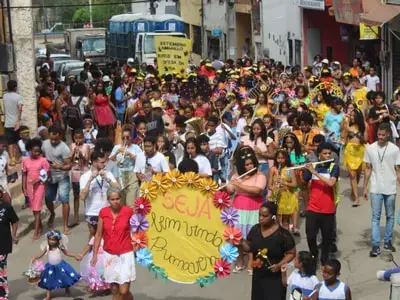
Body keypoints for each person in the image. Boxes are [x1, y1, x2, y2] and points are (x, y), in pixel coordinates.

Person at [242, 202, 296, 300]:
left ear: (273, 217)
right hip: (258, 275)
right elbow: (249, 248)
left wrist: (279, 265)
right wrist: (240, 242)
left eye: (265, 216)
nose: (261, 218)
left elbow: (291, 253)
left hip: (275, 277)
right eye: (260, 215)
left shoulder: (282, 234)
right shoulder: (255, 229)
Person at [227, 146, 266, 274]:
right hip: (238, 208)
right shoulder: (237, 175)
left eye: (251, 164)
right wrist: (228, 185)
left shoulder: (260, 176)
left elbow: (257, 190)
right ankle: (239, 259)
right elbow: (230, 190)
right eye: (247, 164)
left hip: (254, 208)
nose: (249, 166)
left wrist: (240, 185)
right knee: (237, 236)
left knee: (252, 237)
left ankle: (251, 261)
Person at [91, 188, 136, 300]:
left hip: (126, 254)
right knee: (115, 290)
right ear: (108, 200)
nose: (116, 201)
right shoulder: (103, 212)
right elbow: (98, 235)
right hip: (109, 255)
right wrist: (95, 255)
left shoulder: (128, 212)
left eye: (118, 199)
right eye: (113, 199)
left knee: (124, 291)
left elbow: (137, 230)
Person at [363, 123, 400, 257]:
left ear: (388, 135)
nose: (381, 137)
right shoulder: (370, 149)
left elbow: (398, 170)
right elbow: (368, 168)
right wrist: (365, 187)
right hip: (375, 187)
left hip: (390, 187)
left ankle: (388, 241)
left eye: (383, 135)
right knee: (375, 217)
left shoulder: (395, 149)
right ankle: (375, 245)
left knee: (390, 216)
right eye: (379, 134)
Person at [304, 142, 339, 265]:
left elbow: (330, 183)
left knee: (326, 238)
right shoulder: (313, 166)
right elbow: (303, 184)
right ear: (319, 155)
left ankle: (324, 259)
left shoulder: (334, 167)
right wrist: (304, 170)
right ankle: (314, 255)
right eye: (325, 153)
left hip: (328, 209)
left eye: (329, 153)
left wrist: (315, 173)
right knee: (310, 236)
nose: (328, 155)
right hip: (313, 208)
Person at [32, 230, 80, 300]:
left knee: (64, 278)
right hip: (50, 267)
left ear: (57, 240)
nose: (51, 241)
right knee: (49, 281)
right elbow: (41, 254)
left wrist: (75, 255)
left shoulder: (60, 246)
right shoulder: (47, 247)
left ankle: (67, 289)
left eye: (53, 240)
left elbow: (67, 253)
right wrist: (35, 257)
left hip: (60, 266)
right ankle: (48, 296)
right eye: (50, 239)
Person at [42, 127, 72, 234]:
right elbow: (40, 156)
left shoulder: (64, 148)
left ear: (60, 135)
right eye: (51, 139)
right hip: (49, 177)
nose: (53, 141)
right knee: (48, 198)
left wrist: (58, 167)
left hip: (62, 176)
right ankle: (52, 213)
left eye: (55, 139)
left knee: (64, 200)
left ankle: (65, 225)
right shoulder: (44, 144)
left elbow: (69, 166)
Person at [79, 150, 119, 226]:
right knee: (93, 235)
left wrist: (107, 179)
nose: (105, 164)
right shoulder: (85, 177)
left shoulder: (108, 174)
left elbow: (118, 189)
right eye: (102, 162)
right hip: (92, 212)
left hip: (108, 210)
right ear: (94, 162)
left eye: (105, 162)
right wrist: (90, 180)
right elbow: (82, 197)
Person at [22, 138, 50, 240]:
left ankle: (36, 231)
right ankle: (40, 225)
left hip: (39, 186)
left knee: (37, 208)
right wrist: (24, 187)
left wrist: (38, 180)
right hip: (30, 187)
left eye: (38, 151)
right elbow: (24, 175)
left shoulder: (43, 161)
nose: (37, 153)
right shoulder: (25, 161)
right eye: (35, 151)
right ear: (30, 150)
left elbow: (46, 174)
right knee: (33, 208)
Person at [76, 217, 110, 295]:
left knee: (102, 273)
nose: (89, 230)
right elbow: (88, 246)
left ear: (97, 228)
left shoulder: (106, 237)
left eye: (90, 228)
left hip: (103, 259)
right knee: (92, 272)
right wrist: (81, 254)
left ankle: (106, 287)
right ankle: (92, 284)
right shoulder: (94, 238)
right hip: (94, 258)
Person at [110, 127, 142, 205]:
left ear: (131, 137)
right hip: (120, 175)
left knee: (131, 203)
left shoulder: (136, 148)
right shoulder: (116, 147)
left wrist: (130, 154)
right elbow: (110, 160)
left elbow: (141, 161)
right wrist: (116, 152)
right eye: (123, 137)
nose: (125, 139)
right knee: (121, 203)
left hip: (132, 176)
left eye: (127, 137)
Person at [268, 149, 298, 231]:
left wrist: (284, 183)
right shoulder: (273, 169)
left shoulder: (289, 169)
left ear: (286, 159)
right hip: (276, 197)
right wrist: (274, 188)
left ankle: (286, 238)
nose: (280, 160)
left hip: (287, 197)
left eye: (282, 158)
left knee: (285, 221)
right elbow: (269, 185)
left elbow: (295, 184)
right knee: (276, 220)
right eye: (278, 158)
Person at [0, 188, 19, 300]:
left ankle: (3, 295)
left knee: (1, 272)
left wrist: (13, 234)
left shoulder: (7, 208)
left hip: (2, 244)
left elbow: (15, 221)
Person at [3, 80, 23, 165]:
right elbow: (20, 108)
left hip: (7, 123)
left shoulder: (4, 96)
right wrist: (18, 121)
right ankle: (18, 158)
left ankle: (12, 159)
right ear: (15, 87)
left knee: (10, 142)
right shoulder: (18, 97)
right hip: (16, 123)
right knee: (17, 141)